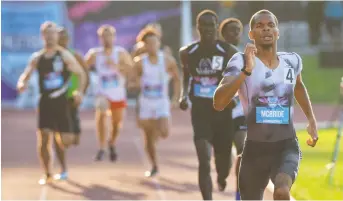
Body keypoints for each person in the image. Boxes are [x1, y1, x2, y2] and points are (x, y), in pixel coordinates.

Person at [213, 10, 319, 200]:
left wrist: (311, 119)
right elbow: (219, 102)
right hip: (254, 150)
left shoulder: (292, 61)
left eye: (270, 25)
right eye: (260, 26)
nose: (266, 29)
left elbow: (299, 86)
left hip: (286, 146)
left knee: (281, 191)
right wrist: (246, 71)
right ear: (251, 34)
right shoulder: (240, 61)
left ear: (277, 32)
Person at [16, 21, 87, 184]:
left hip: (62, 102)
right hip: (45, 102)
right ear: (43, 36)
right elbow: (26, 75)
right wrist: (22, 84)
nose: (50, 37)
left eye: (53, 33)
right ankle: (47, 173)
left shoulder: (64, 55)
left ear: (57, 35)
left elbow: (81, 73)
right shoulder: (37, 57)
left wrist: (80, 92)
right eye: (47, 34)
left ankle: (63, 166)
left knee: (65, 140)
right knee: (44, 137)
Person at [178, 10, 238, 200]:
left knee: (223, 163)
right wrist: (183, 96)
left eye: (211, 25)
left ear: (216, 26)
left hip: (223, 111)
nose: (208, 29)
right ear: (198, 28)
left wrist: (233, 94)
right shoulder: (187, 53)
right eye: (204, 25)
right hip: (200, 111)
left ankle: (221, 176)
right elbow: (186, 77)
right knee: (203, 161)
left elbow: (238, 77)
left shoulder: (228, 51)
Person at [131, 28, 180, 177]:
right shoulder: (139, 62)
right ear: (144, 46)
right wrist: (135, 83)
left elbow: (177, 79)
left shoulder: (167, 60)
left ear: (159, 42)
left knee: (164, 132)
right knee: (148, 137)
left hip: (161, 102)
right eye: (149, 43)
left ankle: (156, 135)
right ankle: (154, 165)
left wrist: (176, 98)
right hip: (146, 102)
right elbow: (132, 81)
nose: (152, 46)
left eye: (154, 42)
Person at [85, 24, 133, 162]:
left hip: (118, 92)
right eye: (103, 36)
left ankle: (111, 142)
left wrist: (117, 66)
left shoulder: (121, 53)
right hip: (102, 92)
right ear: (100, 38)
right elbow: (82, 67)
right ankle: (101, 147)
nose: (106, 39)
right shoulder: (95, 54)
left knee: (117, 123)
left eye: (109, 36)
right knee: (101, 110)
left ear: (114, 37)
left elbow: (131, 70)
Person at [219, 17, 246, 200]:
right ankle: (222, 173)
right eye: (232, 30)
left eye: (238, 30)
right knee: (224, 160)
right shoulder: (216, 56)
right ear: (223, 34)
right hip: (219, 113)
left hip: (239, 112)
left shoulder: (245, 57)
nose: (235, 34)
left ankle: (239, 193)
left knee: (243, 151)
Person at [58, 26, 90, 146]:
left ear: (68, 39)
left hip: (72, 94)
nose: (62, 40)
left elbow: (86, 74)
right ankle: (61, 136)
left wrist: (82, 92)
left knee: (75, 137)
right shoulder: (52, 55)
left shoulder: (75, 55)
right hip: (57, 96)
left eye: (65, 37)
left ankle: (73, 132)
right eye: (60, 37)